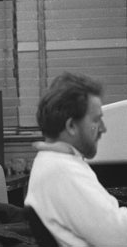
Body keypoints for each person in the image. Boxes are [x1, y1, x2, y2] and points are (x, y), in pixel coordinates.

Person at [24, 72, 127, 246]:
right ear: (71, 126)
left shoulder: (57, 162)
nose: (103, 128)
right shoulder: (62, 171)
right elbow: (120, 237)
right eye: (96, 120)